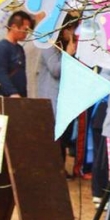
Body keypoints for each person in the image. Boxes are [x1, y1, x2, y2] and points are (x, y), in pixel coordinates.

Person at [37, 18, 78, 166]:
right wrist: (68, 54)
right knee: (53, 138)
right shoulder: (49, 46)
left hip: (64, 100)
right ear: (64, 29)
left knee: (63, 138)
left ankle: (59, 168)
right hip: (51, 101)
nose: (74, 33)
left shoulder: (67, 46)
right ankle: (52, 169)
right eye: (72, 29)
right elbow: (55, 70)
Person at [0, 11, 33, 97]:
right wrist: (12, 92)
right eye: (25, 30)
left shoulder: (20, 48)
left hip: (20, 95)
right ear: (14, 27)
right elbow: (0, 73)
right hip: (7, 97)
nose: (26, 33)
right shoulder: (2, 47)